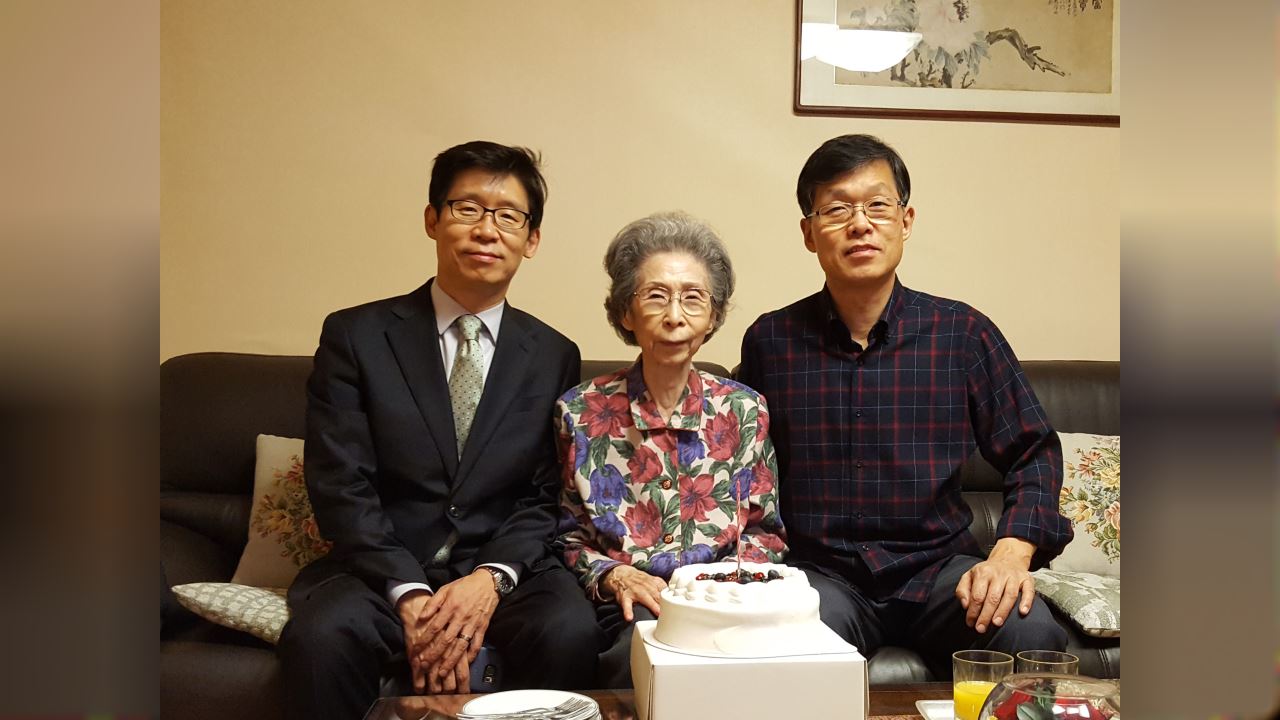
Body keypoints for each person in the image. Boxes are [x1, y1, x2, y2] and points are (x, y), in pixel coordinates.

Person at [279, 140, 604, 720]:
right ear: (432, 220)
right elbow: (340, 482)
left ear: (531, 240)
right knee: (322, 636)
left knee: (569, 629)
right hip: (381, 567)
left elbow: (544, 494)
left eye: (508, 216)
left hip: (498, 566)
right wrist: (408, 592)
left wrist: (490, 578)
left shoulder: (555, 353)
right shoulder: (356, 336)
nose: (487, 230)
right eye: (467, 208)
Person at [737, 134, 1073, 678]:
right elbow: (738, 464)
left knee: (1029, 632)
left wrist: (1011, 552)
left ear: (906, 220)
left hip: (940, 573)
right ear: (809, 233)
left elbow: (1033, 451)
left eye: (877, 205)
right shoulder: (770, 341)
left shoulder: (962, 333)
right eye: (837, 209)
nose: (860, 224)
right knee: (777, 652)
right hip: (822, 578)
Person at [555, 212, 787, 688]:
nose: (675, 316)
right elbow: (567, 538)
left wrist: (718, 589)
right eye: (656, 296)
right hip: (631, 605)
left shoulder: (745, 410)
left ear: (714, 316)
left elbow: (766, 533)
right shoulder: (579, 412)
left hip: (727, 602)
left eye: (693, 298)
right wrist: (615, 577)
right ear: (625, 312)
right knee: (641, 651)